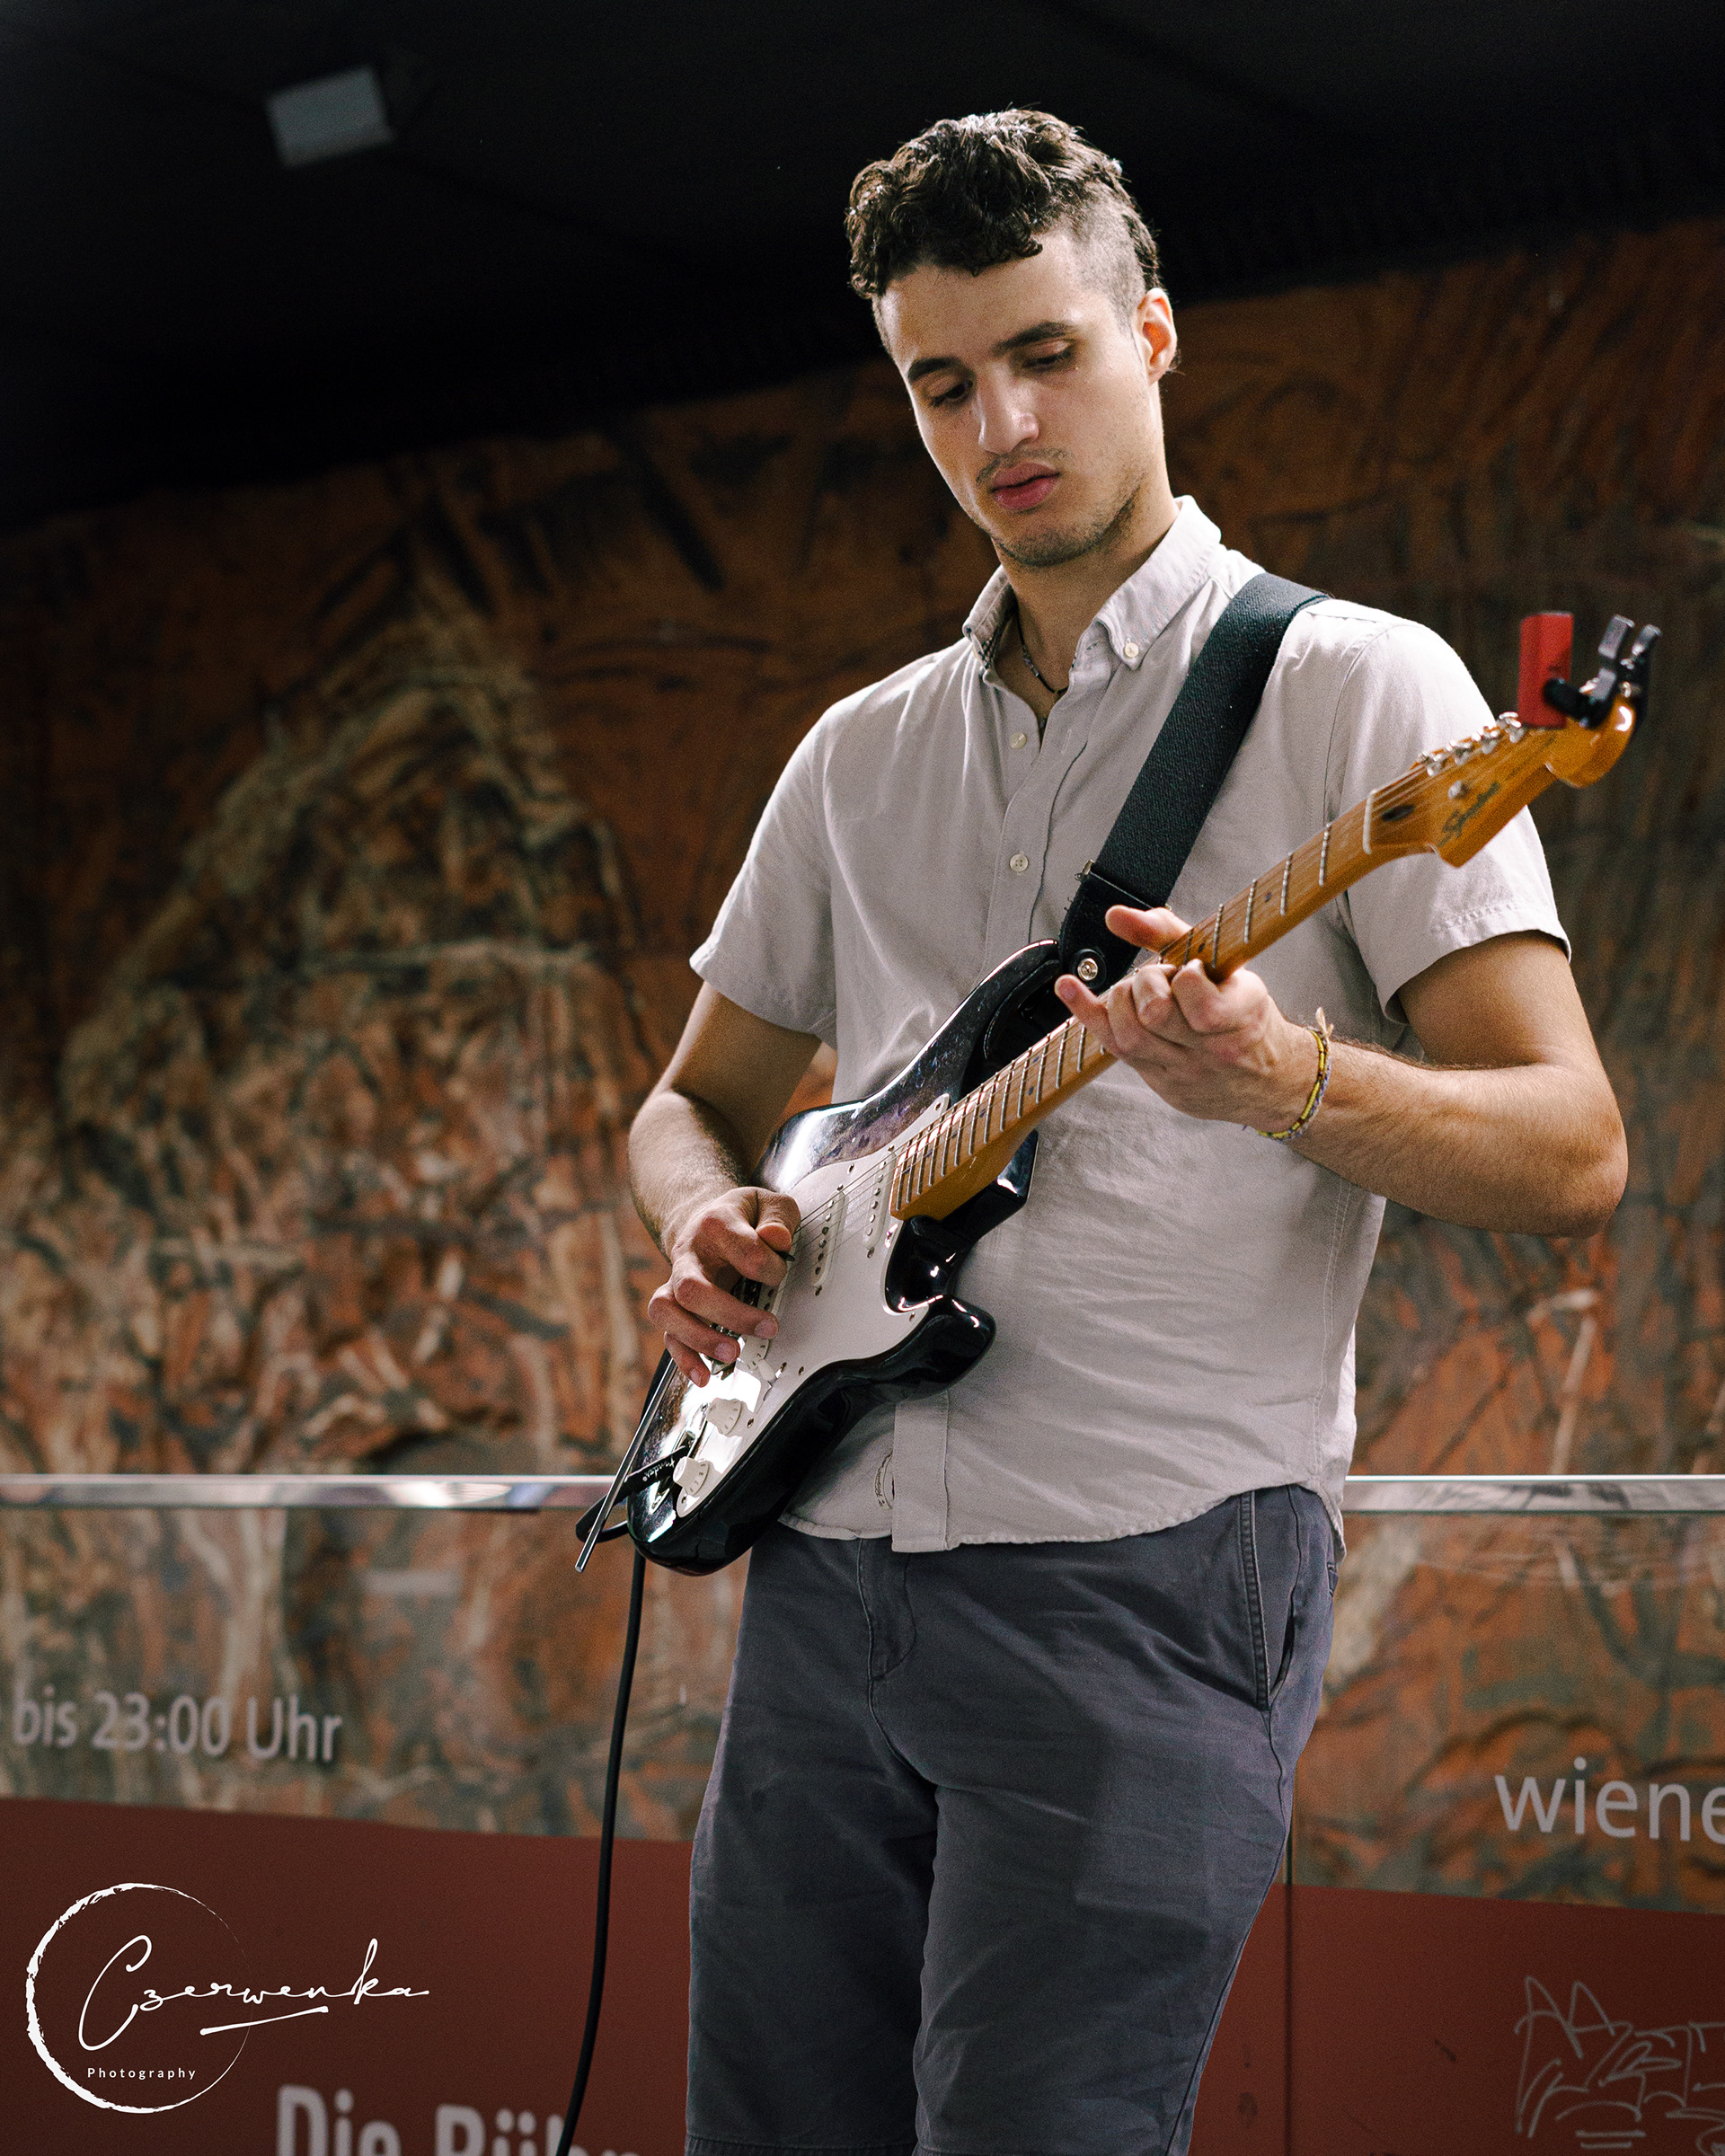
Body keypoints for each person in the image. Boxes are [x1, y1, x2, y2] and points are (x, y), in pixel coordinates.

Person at [627, 110, 1625, 2156]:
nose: (999, 419)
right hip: (822, 1568)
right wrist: (711, 1213)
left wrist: (1288, 1081)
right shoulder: (857, 754)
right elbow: (693, 1103)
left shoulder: (1367, 693)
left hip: (1151, 1579)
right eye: (940, 382)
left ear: (1154, 336)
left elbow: (1573, 1150)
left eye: (1046, 352)